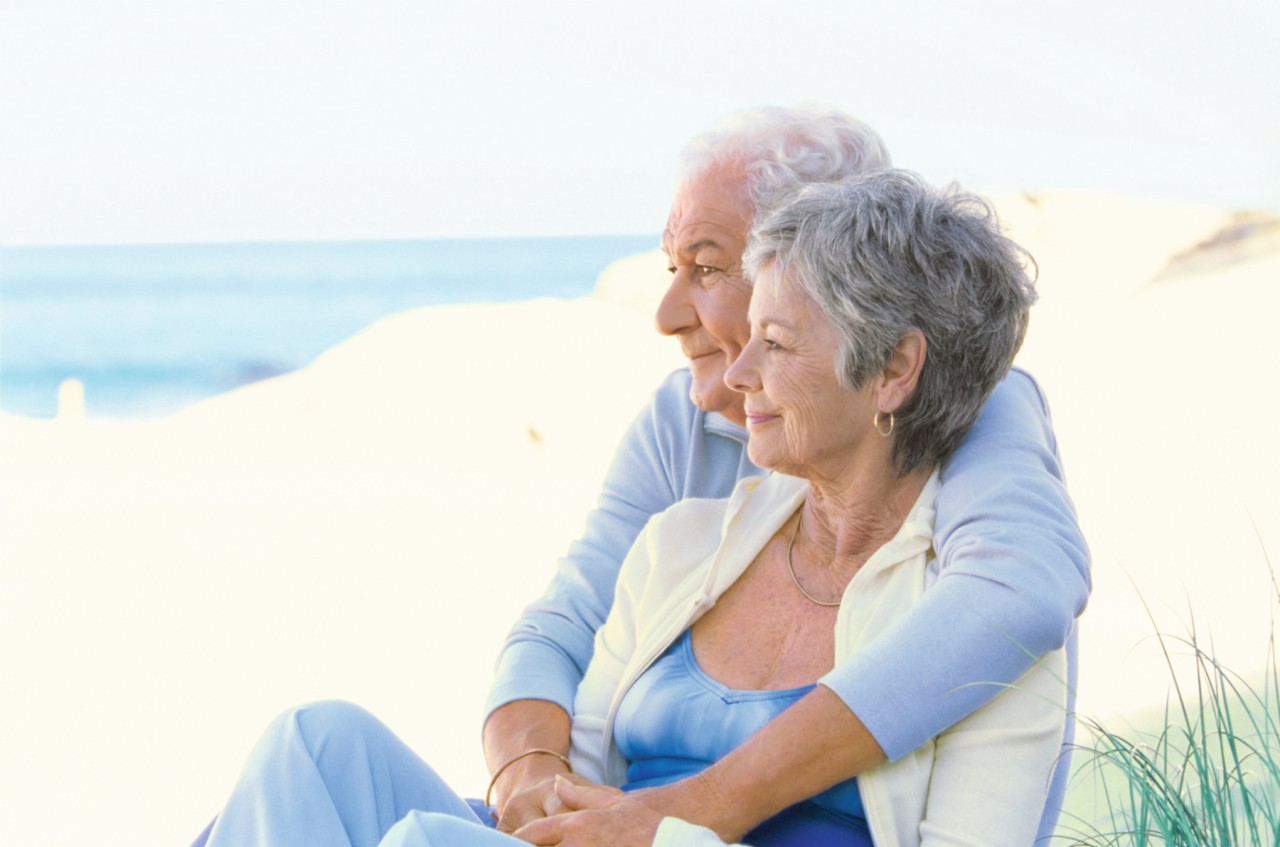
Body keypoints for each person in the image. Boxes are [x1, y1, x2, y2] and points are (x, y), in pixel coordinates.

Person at [200, 170, 1068, 847]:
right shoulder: (685, 544)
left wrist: (680, 827)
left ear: (895, 370)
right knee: (314, 745)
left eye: (775, 342)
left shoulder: (978, 626)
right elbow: (578, 784)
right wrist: (537, 792)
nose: (735, 374)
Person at [482, 106, 1088, 845]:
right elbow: (565, 622)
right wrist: (528, 781)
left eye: (708, 267)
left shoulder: (985, 413)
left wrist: (695, 812)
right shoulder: (679, 428)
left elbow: (1022, 593)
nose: (668, 313)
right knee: (323, 748)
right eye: (672, 268)